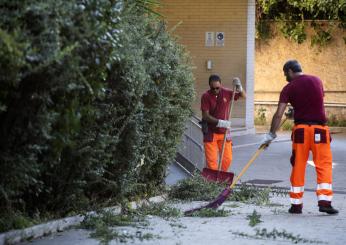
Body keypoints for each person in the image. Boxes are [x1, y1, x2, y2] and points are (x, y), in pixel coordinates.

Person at [262, 60, 338, 215]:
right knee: (323, 165)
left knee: (298, 166)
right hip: (320, 130)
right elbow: (313, 104)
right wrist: (296, 111)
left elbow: (278, 114)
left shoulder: (288, 88)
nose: (285, 78)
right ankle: (325, 202)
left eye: (285, 74)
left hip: (301, 132)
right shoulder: (317, 80)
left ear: (290, 71)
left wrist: (270, 135)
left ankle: (296, 205)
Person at [200, 74, 246, 172]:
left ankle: (221, 176)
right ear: (209, 86)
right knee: (212, 162)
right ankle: (213, 182)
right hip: (210, 132)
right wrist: (220, 122)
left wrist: (240, 88)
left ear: (221, 85)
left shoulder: (226, 92)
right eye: (213, 88)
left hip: (224, 132)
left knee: (227, 159)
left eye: (218, 88)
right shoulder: (206, 96)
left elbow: (243, 96)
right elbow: (205, 116)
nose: (216, 90)